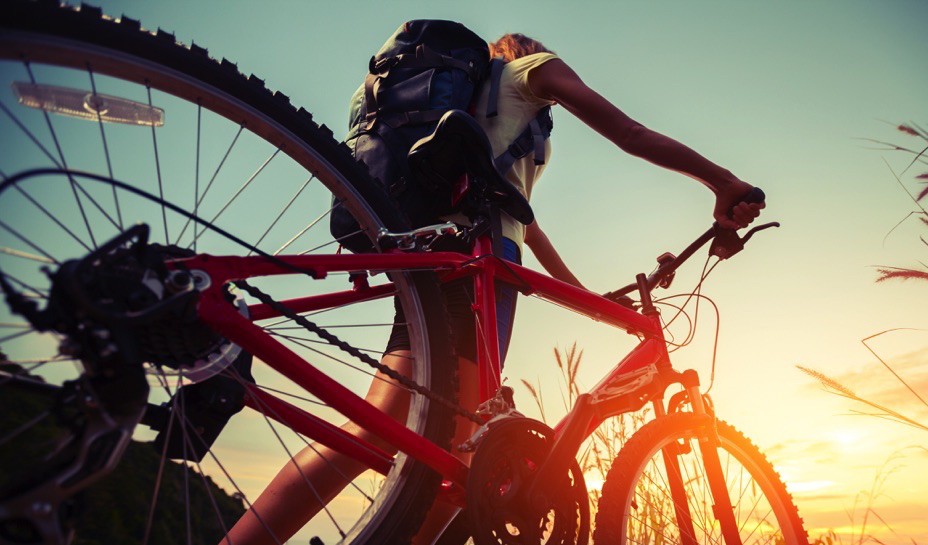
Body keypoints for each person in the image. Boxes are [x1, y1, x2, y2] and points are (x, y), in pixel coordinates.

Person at [222, 32, 763, 545]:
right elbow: (630, 134)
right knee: (448, 457)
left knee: (412, 444)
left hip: (433, 250)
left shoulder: (478, 110)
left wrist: (588, 295)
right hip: (482, 262)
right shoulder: (531, 73)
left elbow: (523, 221)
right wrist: (723, 182)